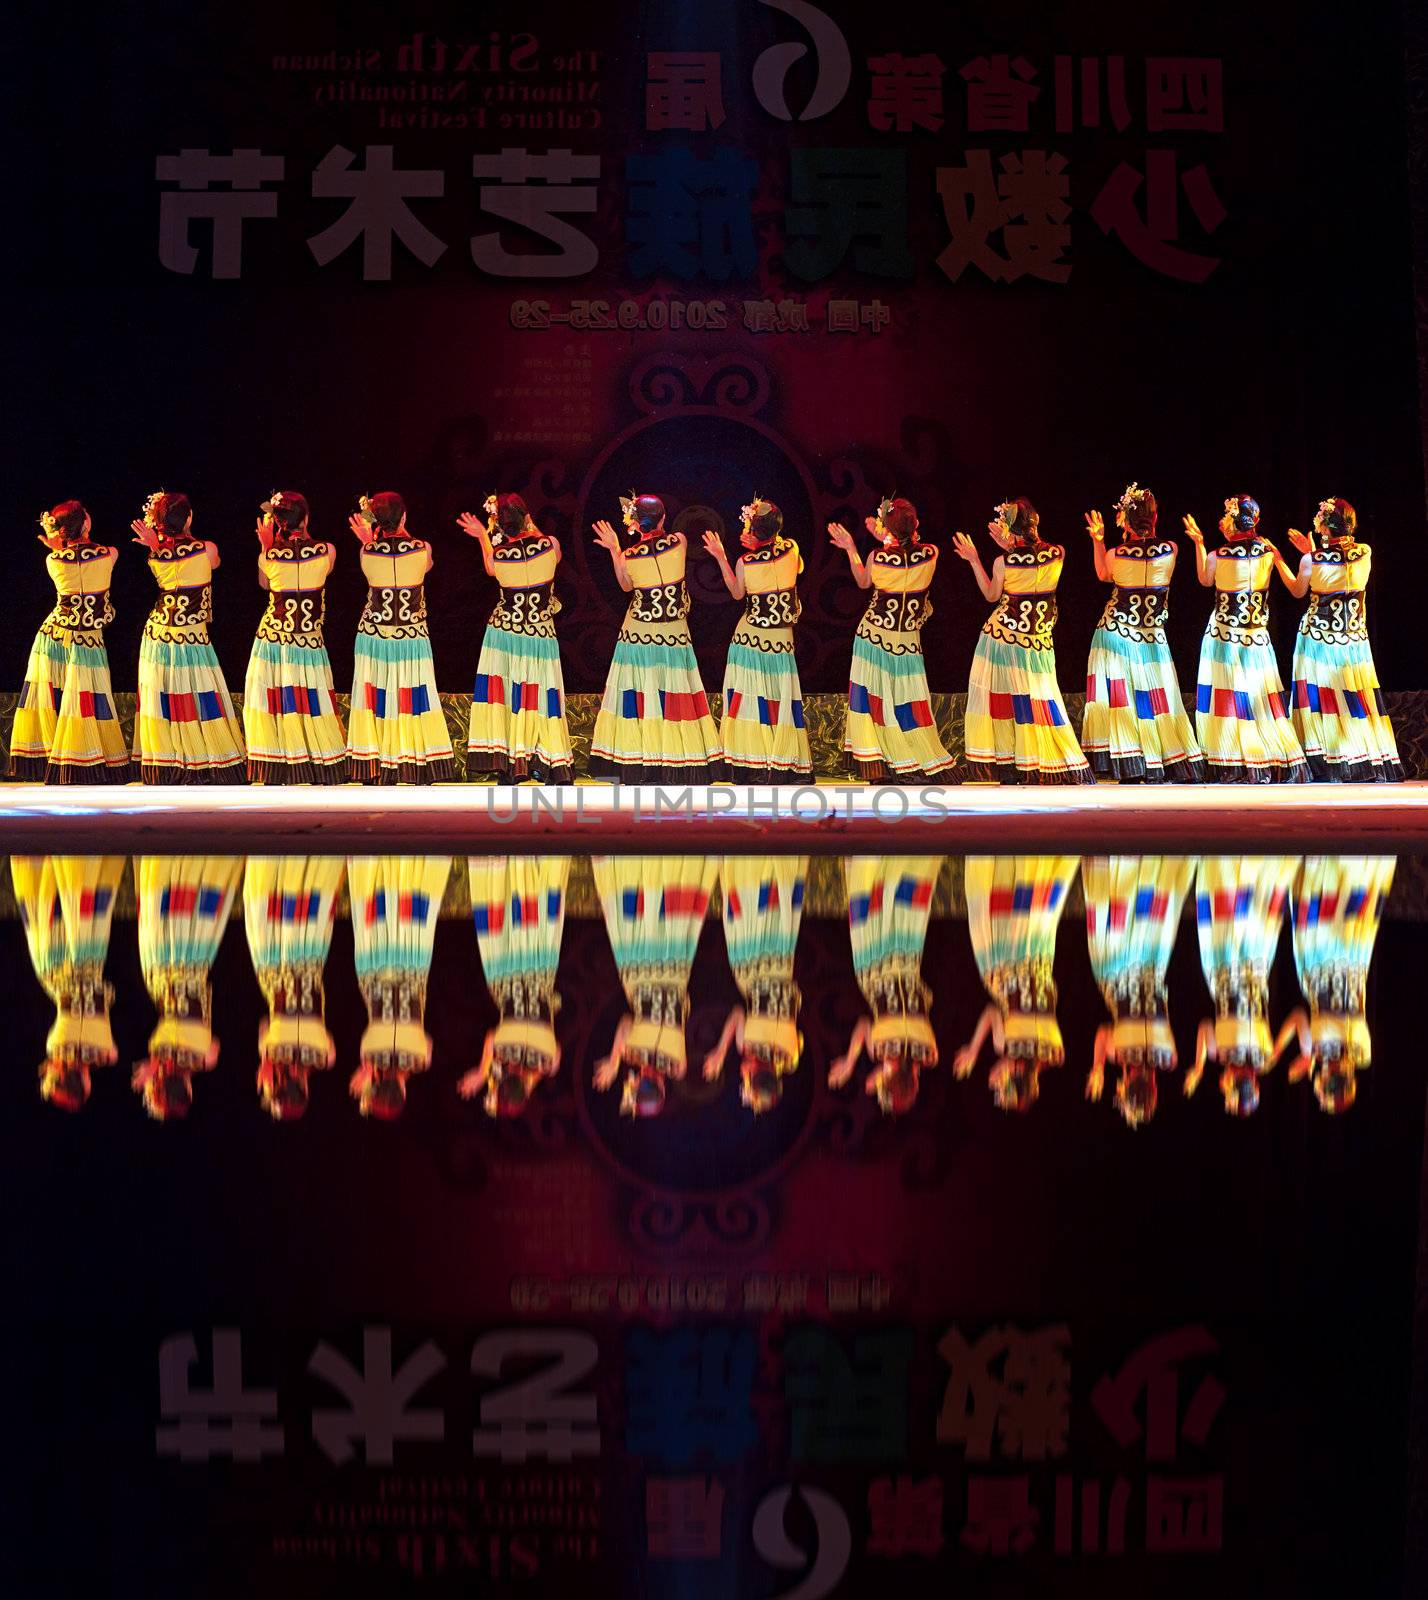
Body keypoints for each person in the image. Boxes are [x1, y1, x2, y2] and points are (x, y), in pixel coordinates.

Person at [955, 499, 1093, 784]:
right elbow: (1033, 566)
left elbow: (992, 595)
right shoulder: (1059, 553)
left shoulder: (1002, 562)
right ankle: (1034, 760)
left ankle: (1011, 763)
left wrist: (974, 559)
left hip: (1003, 639)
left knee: (1006, 702)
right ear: (1036, 520)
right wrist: (1013, 545)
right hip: (1038, 640)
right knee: (1039, 698)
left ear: (1009, 528)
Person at [589, 493, 722, 783]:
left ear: (635, 524)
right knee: (673, 693)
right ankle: (678, 758)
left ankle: (638, 760)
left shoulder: (629, 556)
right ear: (663, 519)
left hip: (638, 633)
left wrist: (614, 549)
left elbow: (625, 585)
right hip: (673, 631)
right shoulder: (680, 541)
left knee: (642, 693)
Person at [1081, 483, 1203, 781]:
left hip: (1116, 633)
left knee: (1125, 700)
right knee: (1155, 697)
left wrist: (1098, 541)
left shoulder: (1116, 554)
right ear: (1155, 517)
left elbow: (1102, 575)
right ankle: (1161, 760)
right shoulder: (1171, 549)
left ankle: (1131, 763)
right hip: (1151, 635)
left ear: (1124, 520)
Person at [829, 496, 955, 781]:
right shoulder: (931, 553)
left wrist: (851, 548)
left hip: (874, 637)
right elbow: (908, 551)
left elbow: (863, 582)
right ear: (916, 525)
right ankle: (910, 757)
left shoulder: (878, 556)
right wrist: (887, 535)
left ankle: (880, 763)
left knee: (875, 701)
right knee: (906, 701)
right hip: (907, 641)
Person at [1184, 494, 1309, 782]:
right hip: (1256, 638)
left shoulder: (1218, 555)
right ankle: (1269, 757)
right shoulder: (1268, 553)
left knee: (1229, 698)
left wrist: (1199, 544)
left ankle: (1231, 761)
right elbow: (1292, 586)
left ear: (1232, 522)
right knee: (1259, 699)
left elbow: (1204, 579)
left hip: (1224, 637)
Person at [1279, 497, 1402, 781]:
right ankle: (1363, 756)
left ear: (1325, 526)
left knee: (1322, 697)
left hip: (1318, 640)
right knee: (1354, 695)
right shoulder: (1365, 552)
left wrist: (1280, 561)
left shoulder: (1311, 560)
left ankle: (1324, 757)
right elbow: (1341, 573)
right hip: (1354, 638)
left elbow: (1298, 590)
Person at [129, 490, 245, 783]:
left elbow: (172, 564)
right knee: (198, 693)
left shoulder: (155, 555)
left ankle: (166, 763)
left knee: (165, 696)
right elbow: (214, 563)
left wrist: (157, 546)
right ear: (189, 517)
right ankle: (206, 760)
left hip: (159, 634)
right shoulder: (206, 548)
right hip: (190, 636)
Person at [10, 500, 131, 782]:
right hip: (86, 638)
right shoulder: (109, 554)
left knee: (57, 697)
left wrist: (58, 548)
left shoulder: (52, 559)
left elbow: (70, 565)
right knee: (85, 697)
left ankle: (53, 758)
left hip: (55, 634)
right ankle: (83, 759)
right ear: (86, 524)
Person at [459, 493, 574, 782]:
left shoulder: (499, 556)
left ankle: (514, 763)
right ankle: (545, 761)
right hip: (539, 632)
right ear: (526, 517)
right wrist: (529, 524)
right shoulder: (550, 546)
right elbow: (548, 551)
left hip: (505, 633)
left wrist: (483, 536)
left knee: (510, 696)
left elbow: (489, 566)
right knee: (540, 695)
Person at [592, 855, 718, 1117]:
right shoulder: (636, 1054)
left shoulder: (676, 1066)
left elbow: (658, 1076)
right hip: (641, 978)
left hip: (671, 975)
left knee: (670, 919)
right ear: (637, 1083)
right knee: (637, 922)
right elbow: (626, 1023)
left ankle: (673, 863)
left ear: (661, 1085)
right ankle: (634, 863)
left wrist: (635, 1080)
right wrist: (615, 1062)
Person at [345, 491, 453, 783]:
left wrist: (370, 538)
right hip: (410, 635)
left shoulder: (366, 551)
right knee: (412, 695)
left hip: (374, 634)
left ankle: (374, 763)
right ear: (404, 516)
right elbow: (425, 567)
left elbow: (375, 564)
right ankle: (415, 761)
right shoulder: (423, 549)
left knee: (377, 696)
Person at [956, 855, 1079, 1112]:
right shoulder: (1006, 1045)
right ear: (1013, 1073)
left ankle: (1034, 856)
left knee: (1035, 905)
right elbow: (991, 1012)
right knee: (991, 906)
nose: (992, 1082)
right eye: (1000, 1085)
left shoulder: (1054, 1053)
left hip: (1038, 959)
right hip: (1003, 962)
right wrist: (973, 1050)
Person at [702, 497, 812, 782]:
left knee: (752, 700)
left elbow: (737, 592)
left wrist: (721, 556)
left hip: (751, 639)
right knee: (779, 698)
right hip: (781, 639)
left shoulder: (745, 562)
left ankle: (750, 762)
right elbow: (794, 564)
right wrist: (765, 543)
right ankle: (783, 759)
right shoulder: (791, 549)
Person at [1083, 855, 1197, 1127]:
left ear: (1154, 1089)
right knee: (1112, 919)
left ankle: (1152, 861)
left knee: (1152, 918)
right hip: (1115, 972)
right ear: (1124, 1085)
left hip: (1151, 967)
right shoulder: (1120, 1053)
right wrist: (1098, 1068)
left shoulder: (1168, 1058)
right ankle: (1119, 861)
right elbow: (1102, 1034)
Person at [1184, 855, 1302, 1116]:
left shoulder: (1264, 1057)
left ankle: (1256, 857)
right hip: (1231, 969)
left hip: (1245, 969)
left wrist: (1305, 1051)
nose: (1222, 1084)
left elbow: (1297, 1018)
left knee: (1251, 914)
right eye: (1227, 1089)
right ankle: (1237, 855)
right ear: (1234, 1084)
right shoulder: (1234, 1054)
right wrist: (1200, 1065)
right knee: (1235, 913)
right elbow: (1205, 1028)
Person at [243, 490, 348, 783]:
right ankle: (318, 761)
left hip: (274, 638)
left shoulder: (269, 556)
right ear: (306, 517)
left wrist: (266, 548)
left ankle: (278, 763)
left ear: (277, 522)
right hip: (308, 639)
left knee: (276, 698)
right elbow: (324, 572)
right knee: (311, 698)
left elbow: (265, 584)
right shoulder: (327, 550)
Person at [1280, 855, 1395, 1113]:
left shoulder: (1329, 1052)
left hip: (1320, 966)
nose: (1319, 1079)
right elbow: (1330, 1029)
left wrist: (1294, 1054)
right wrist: (1310, 1056)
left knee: (1325, 911)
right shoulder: (1355, 1053)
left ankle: (1326, 859)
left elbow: (1298, 1017)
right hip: (1339, 961)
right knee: (1342, 912)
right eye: (1323, 1086)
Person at [830, 856, 945, 1114]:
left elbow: (907, 1057)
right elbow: (862, 1027)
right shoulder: (882, 1050)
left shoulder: (928, 1054)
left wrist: (886, 1070)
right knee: (871, 912)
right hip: (876, 971)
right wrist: (850, 1062)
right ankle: (867, 861)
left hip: (906, 966)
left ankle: (906, 858)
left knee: (904, 912)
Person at [11, 854, 124, 1110]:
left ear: (83, 1080)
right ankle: (50, 854)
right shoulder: (57, 1048)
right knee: (52, 907)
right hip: (54, 967)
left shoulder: (103, 1051)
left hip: (84, 959)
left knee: (77, 908)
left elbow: (112, 1055)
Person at [133, 855, 242, 1120]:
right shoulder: (159, 1054)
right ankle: (168, 860)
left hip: (194, 965)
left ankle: (200, 860)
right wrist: (157, 1067)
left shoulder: (205, 1058)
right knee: (163, 913)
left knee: (195, 914)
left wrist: (170, 1068)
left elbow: (213, 1045)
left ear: (188, 1088)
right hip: (161, 972)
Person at [459, 855, 570, 1116]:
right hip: (505, 977)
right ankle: (498, 866)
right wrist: (483, 1071)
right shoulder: (502, 1051)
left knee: (536, 918)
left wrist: (528, 1079)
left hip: (539, 972)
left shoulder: (547, 1062)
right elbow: (489, 1038)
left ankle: (535, 863)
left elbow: (551, 1060)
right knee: (502, 922)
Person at [346, 855, 451, 1119]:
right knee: (376, 917)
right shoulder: (369, 1054)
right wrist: (368, 1072)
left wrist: (397, 1072)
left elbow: (426, 1040)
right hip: (375, 974)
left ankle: (414, 862)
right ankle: (372, 864)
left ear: (403, 1091)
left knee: (411, 917)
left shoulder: (419, 1060)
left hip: (411, 970)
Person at [703, 855, 808, 1114]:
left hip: (781, 966)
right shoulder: (749, 1046)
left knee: (775, 914)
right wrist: (720, 1051)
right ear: (753, 1077)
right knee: (748, 915)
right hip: (753, 969)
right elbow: (738, 1014)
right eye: (747, 1085)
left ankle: (776, 865)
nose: (742, 1081)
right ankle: (746, 863)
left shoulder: (790, 1056)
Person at [243, 855, 344, 1120]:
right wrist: (268, 1062)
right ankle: (272, 859)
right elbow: (265, 1023)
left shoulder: (324, 1057)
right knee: (267, 910)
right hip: (274, 968)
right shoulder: (270, 1051)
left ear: (305, 1088)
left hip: (309, 963)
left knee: (310, 911)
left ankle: (316, 861)